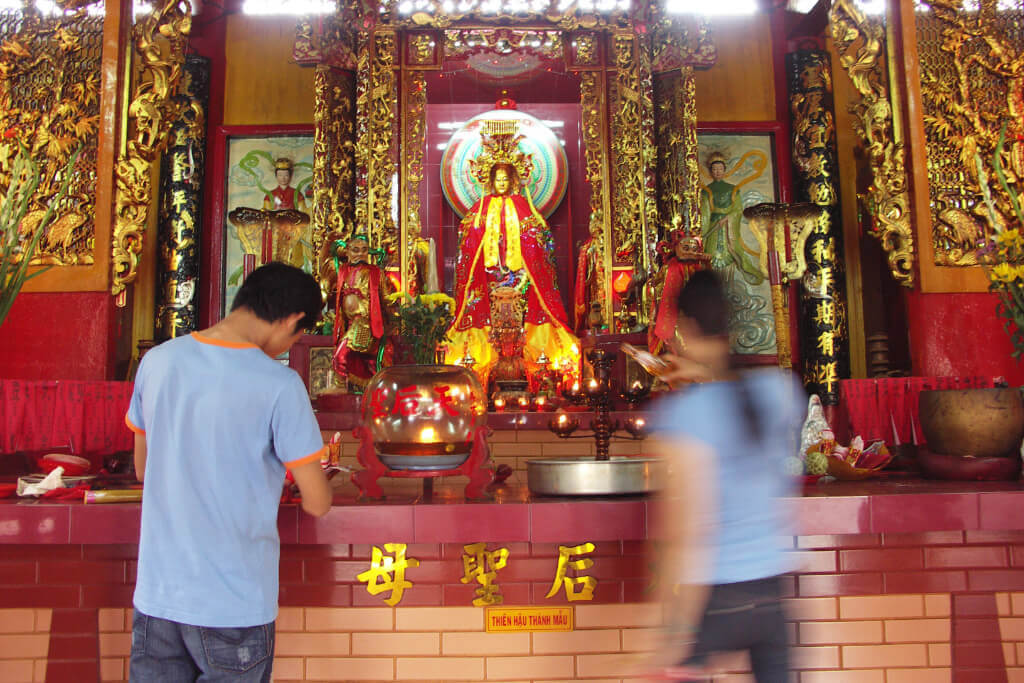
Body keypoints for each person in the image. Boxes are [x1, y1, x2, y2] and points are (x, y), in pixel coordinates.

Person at [125, 262, 333, 683]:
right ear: (293, 320)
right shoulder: (280, 385)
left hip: (158, 600)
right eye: (297, 335)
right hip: (233, 605)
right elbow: (317, 502)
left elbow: (143, 468)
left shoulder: (158, 362)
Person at [649, 270, 805, 682]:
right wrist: (703, 379)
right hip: (772, 593)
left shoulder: (682, 416)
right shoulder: (782, 393)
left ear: (684, 329)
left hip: (719, 599)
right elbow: (735, 403)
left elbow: (685, 532)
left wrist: (669, 634)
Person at [444, 161, 578, 387]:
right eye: (498, 180)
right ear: (490, 182)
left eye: (506, 179)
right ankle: (480, 366)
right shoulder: (480, 209)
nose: (502, 184)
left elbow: (538, 237)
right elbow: (467, 236)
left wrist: (524, 243)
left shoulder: (524, 207)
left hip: (520, 275)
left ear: (513, 181)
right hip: (488, 275)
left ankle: (537, 367)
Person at [332, 234, 394, 392]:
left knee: (340, 357)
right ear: (347, 252)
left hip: (365, 323)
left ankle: (339, 390)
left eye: (364, 250)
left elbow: (386, 298)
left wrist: (398, 305)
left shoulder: (374, 272)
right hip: (349, 324)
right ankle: (382, 390)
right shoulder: (344, 271)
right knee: (370, 362)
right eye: (355, 250)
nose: (360, 254)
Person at [699, 153, 764, 285]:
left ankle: (728, 286)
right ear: (711, 171)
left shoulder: (732, 189)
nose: (717, 172)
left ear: (724, 170)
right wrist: (703, 231)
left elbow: (738, 210)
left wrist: (728, 218)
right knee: (710, 257)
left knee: (730, 255)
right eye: (714, 169)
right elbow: (704, 212)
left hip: (728, 227)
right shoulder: (706, 191)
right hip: (713, 226)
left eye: (720, 169)